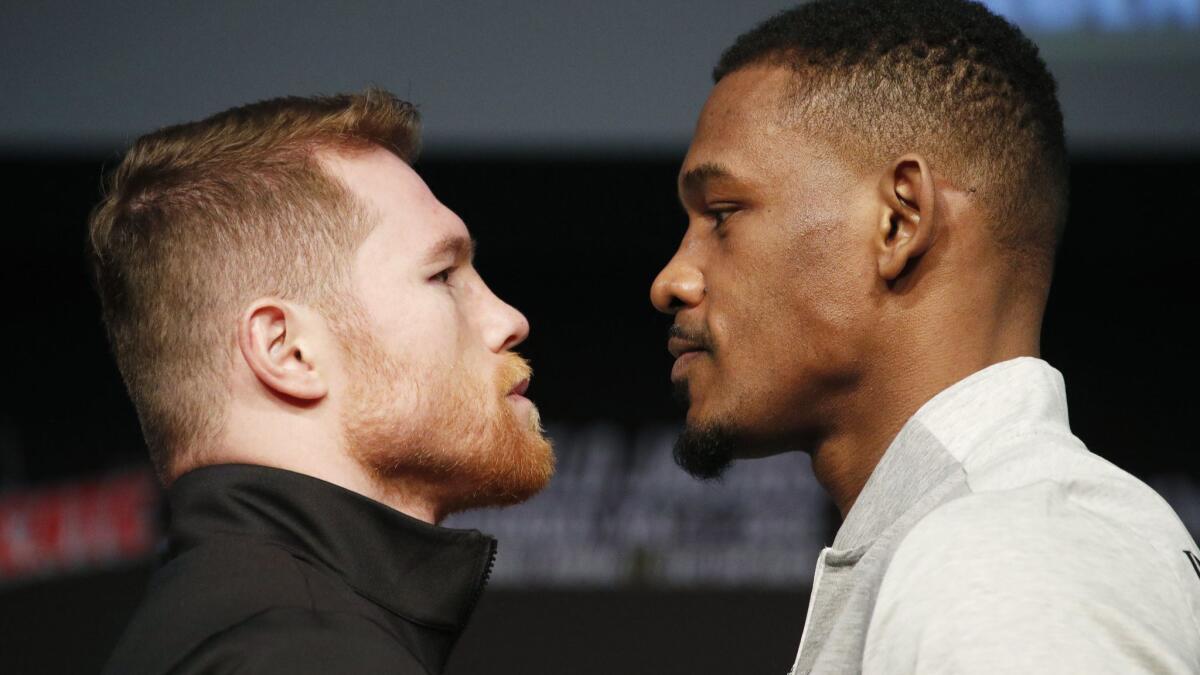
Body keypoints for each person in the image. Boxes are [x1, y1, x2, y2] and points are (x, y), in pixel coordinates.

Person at [651, 1, 1200, 672]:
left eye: (723, 213)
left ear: (898, 221)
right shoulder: (993, 537)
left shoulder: (1006, 560)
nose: (672, 280)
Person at [91, 90, 554, 674]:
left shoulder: (219, 627)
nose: (508, 320)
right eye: (442, 274)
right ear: (288, 352)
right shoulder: (309, 652)